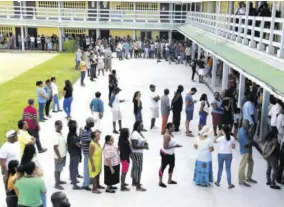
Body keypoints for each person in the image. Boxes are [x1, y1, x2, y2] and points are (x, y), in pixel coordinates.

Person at [159, 123, 182, 188]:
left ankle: (169, 180)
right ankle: (160, 182)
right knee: (163, 167)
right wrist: (175, 146)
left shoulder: (171, 133)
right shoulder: (167, 135)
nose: (174, 128)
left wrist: (176, 145)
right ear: (169, 127)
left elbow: (171, 143)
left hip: (171, 153)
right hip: (165, 154)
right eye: (173, 127)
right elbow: (165, 147)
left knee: (172, 166)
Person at [130, 121, 149, 191]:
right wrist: (144, 147)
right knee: (139, 168)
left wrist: (146, 143)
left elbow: (143, 140)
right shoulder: (135, 134)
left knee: (135, 167)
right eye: (141, 126)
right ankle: (138, 186)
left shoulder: (139, 133)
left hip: (138, 153)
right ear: (137, 126)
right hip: (136, 153)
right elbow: (134, 146)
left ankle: (134, 182)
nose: (142, 127)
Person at [238, 121, 257, 187]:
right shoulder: (243, 132)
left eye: (248, 125)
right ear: (243, 124)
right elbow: (247, 144)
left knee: (251, 163)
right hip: (245, 150)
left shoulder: (242, 129)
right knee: (243, 165)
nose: (248, 126)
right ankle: (241, 180)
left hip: (248, 150)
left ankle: (248, 177)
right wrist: (252, 142)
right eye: (247, 125)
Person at [81, 117, 95, 191]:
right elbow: (89, 142)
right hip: (87, 153)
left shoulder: (89, 130)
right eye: (92, 122)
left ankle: (89, 181)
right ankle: (85, 185)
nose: (94, 123)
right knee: (86, 169)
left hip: (90, 153)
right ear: (89, 123)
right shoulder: (85, 132)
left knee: (89, 168)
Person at [67, 120, 81, 190]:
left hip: (71, 152)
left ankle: (73, 179)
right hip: (75, 153)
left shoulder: (69, 134)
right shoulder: (73, 137)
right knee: (74, 168)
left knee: (72, 166)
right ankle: (74, 184)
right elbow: (78, 145)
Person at [53, 120, 67, 190]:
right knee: (57, 170)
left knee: (60, 169)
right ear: (55, 126)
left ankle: (59, 180)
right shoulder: (55, 135)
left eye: (61, 125)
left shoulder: (60, 133)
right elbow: (55, 147)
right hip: (59, 156)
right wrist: (59, 156)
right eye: (59, 125)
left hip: (63, 155)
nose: (60, 126)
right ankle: (56, 184)